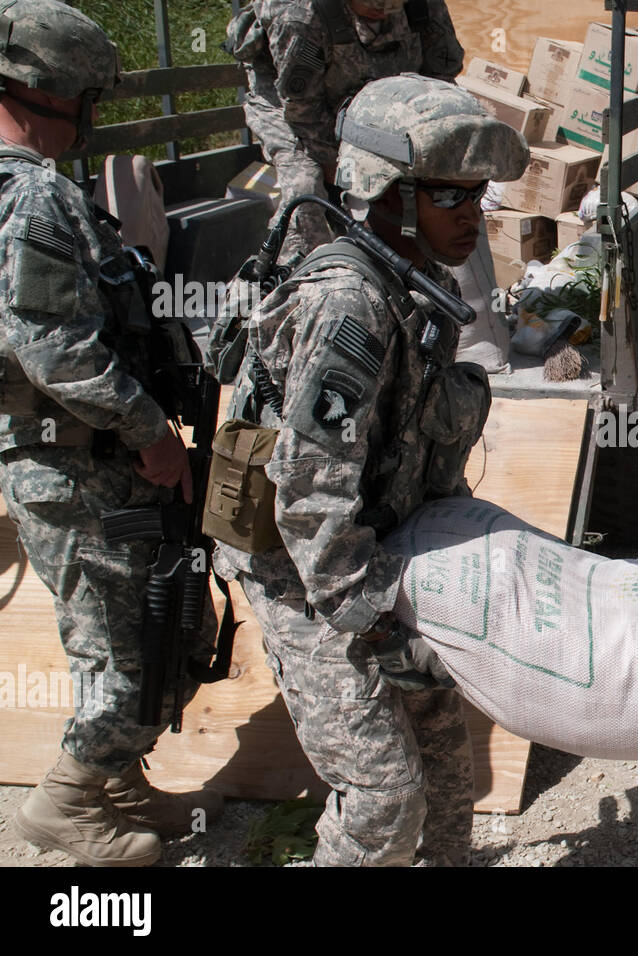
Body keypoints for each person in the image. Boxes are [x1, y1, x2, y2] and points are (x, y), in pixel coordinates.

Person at [212, 74, 528, 866]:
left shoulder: (414, 286)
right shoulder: (349, 303)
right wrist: (378, 616)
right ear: (389, 192)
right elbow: (310, 496)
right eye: (451, 194)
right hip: (312, 577)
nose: (472, 215)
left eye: (477, 194)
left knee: (450, 778)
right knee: (385, 801)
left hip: (382, 557)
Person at [0, 0, 221, 866]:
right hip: (79, 464)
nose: (93, 121)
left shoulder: (38, 193)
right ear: (50, 92)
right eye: (90, 99)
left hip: (89, 463)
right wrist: (150, 434)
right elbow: (54, 351)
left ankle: (117, 779)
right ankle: (65, 805)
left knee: (170, 626)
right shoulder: (32, 197)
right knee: (126, 650)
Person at [225, 0, 464, 258]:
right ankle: (306, 273)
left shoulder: (424, 5)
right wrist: (344, 172)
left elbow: (441, 81)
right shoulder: (300, 15)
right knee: (306, 186)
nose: (382, 7)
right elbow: (304, 112)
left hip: (370, 94)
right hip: (289, 102)